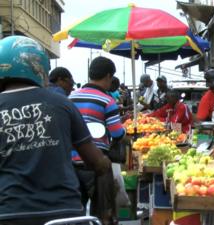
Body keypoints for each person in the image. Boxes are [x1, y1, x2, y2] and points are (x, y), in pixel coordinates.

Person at [0, 36, 111, 225]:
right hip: (66, 214)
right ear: (40, 67)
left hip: (9, 214)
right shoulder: (62, 104)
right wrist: (106, 165)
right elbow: (98, 164)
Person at [69, 56, 126, 225]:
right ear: (108, 76)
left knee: (76, 213)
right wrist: (123, 132)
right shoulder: (107, 101)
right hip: (97, 163)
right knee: (103, 214)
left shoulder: (71, 98)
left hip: (71, 163)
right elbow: (117, 134)